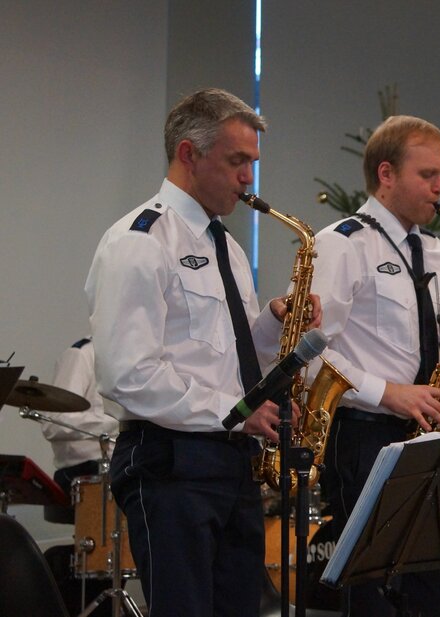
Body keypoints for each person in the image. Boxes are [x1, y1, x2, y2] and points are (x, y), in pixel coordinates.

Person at [84, 88, 314, 617]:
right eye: (237, 161)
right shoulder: (141, 240)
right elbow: (127, 374)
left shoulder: (225, 244)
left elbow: (228, 355)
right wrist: (236, 413)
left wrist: (271, 321)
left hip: (228, 461)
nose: (248, 178)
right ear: (189, 154)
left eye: (252, 163)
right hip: (171, 463)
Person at [310, 115, 440, 617]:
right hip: (366, 433)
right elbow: (307, 356)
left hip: (427, 433)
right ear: (386, 174)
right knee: (370, 593)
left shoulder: (433, 249)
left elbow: (432, 337)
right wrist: (387, 392)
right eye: (428, 175)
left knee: (427, 586)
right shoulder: (342, 243)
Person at [43, 336, 119, 504]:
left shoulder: (133, 360)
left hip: (122, 462)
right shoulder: (82, 354)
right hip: (84, 469)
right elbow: (54, 423)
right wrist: (118, 423)